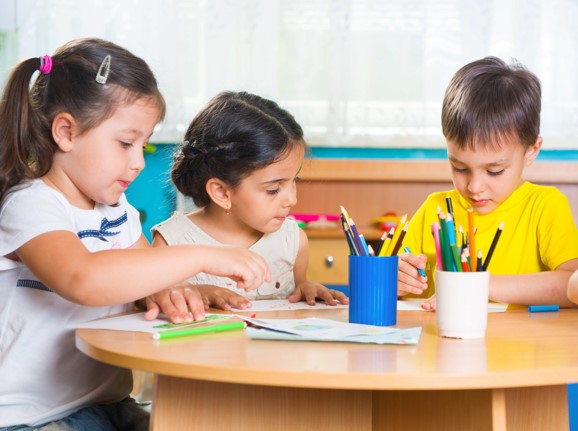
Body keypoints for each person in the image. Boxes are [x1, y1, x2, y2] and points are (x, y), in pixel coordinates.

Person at [0, 38, 270, 430]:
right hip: (30, 417)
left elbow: (145, 279)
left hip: (105, 403)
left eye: (143, 146)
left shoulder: (117, 210)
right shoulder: (30, 205)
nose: (137, 162)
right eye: (126, 143)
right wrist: (203, 255)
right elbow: (84, 279)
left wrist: (185, 289)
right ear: (65, 132)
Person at [398, 56, 578, 310]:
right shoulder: (435, 209)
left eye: (494, 171)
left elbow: (572, 285)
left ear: (531, 151)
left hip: (521, 347)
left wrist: (478, 286)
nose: (474, 186)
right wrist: (394, 277)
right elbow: (390, 277)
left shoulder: (544, 206)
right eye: (459, 167)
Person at [151, 91, 348, 310]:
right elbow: (153, 300)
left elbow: (296, 294)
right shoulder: (172, 240)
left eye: (295, 180)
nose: (292, 199)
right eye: (273, 190)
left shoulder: (292, 240)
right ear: (222, 193)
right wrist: (197, 293)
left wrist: (306, 287)